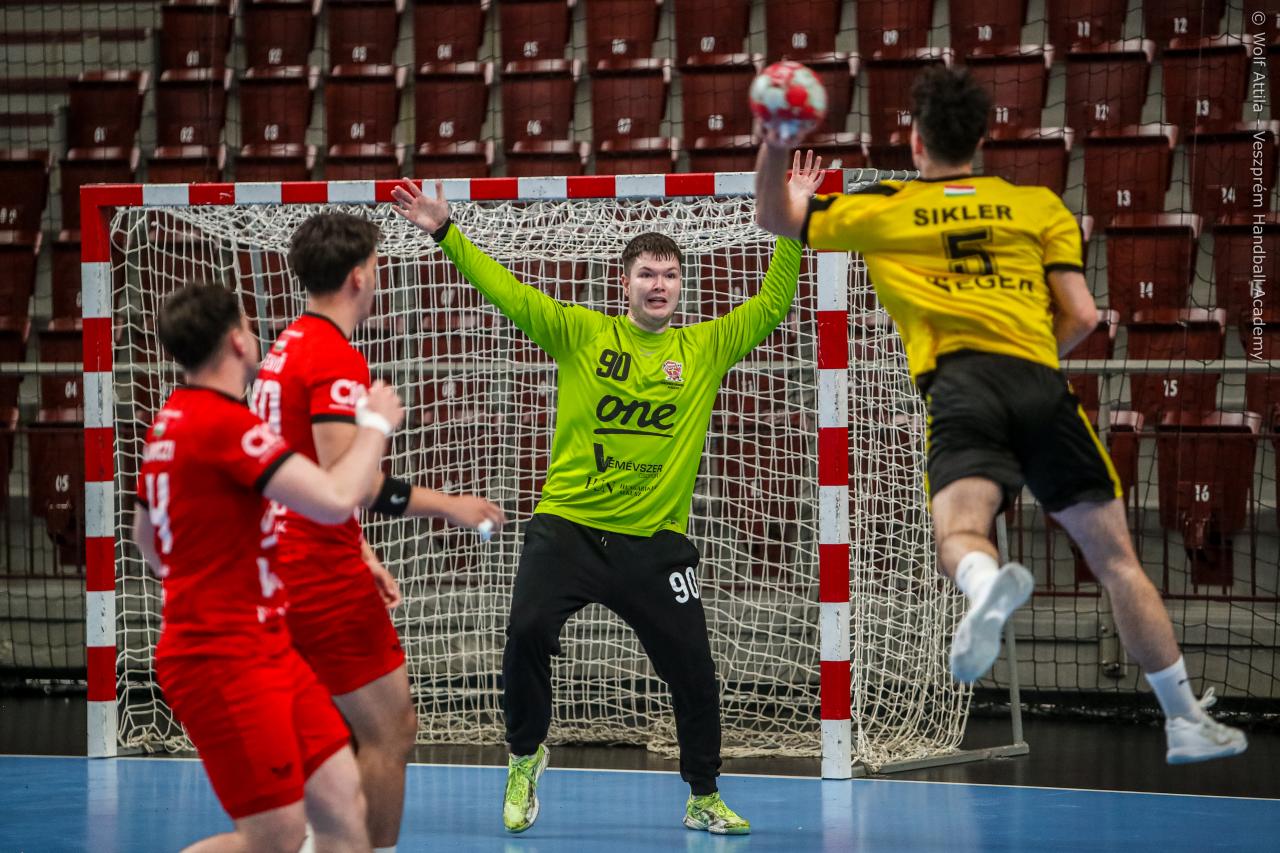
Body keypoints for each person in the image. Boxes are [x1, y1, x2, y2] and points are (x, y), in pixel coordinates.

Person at [753, 66, 1247, 765]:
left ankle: (985, 586)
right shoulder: (1036, 204)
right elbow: (1084, 315)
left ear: (915, 142)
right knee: (1117, 562)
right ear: (980, 140)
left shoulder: (882, 208)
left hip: (962, 387)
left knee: (960, 530)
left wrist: (777, 142)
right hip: (1041, 383)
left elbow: (774, 217)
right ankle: (1184, 717)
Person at [388, 154, 825, 835]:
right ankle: (525, 756)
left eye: (670, 274)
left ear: (682, 285)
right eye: (647, 273)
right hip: (568, 528)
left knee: (695, 671)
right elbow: (510, 294)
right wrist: (447, 232)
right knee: (526, 631)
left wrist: (793, 225)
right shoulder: (583, 333)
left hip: (654, 545)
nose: (659, 284)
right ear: (624, 283)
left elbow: (772, 306)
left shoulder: (705, 347)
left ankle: (703, 795)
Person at [251, 212, 507, 853]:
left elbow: (305, 469)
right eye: (377, 263)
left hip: (285, 558)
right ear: (361, 276)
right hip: (317, 569)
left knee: (335, 732)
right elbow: (353, 482)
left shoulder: (286, 345)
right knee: (391, 732)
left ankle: (323, 841)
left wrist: (361, 549)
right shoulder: (332, 355)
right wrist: (450, 505)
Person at [132, 283, 406, 852]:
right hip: (222, 657)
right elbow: (335, 498)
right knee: (273, 838)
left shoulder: (168, 423)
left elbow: (148, 542)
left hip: (266, 645)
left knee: (343, 805)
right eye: (248, 325)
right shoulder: (224, 425)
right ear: (237, 340)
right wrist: (375, 426)